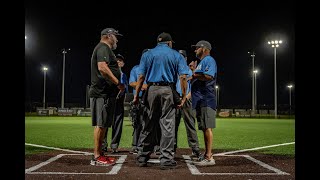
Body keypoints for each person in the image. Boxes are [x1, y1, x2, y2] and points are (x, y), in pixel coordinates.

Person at [133, 32, 189, 170]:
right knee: (167, 125)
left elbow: (140, 78)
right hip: (167, 90)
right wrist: (182, 96)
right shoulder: (176, 55)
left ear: (158, 42)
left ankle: (142, 157)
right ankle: (166, 159)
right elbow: (183, 77)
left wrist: (136, 96)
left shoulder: (148, 54)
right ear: (169, 43)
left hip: (151, 90)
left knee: (148, 124)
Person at [88, 27, 125, 165]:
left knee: (104, 124)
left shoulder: (105, 49)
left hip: (105, 93)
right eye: (116, 36)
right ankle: (97, 156)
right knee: (101, 124)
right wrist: (118, 83)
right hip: (101, 92)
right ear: (109, 36)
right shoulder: (103, 47)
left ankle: (101, 154)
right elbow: (102, 67)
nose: (117, 39)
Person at [190, 40, 217, 166]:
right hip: (201, 99)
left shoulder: (209, 60)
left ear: (203, 48)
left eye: (196, 48)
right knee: (204, 127)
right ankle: (207, 154)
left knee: (207, 127)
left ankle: (209, 157)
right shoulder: (202, 62)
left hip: (206, 98)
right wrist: (194, 71)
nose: (195, 50)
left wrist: (194, 74)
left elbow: (209, 76)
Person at [174, 50, 202, 159]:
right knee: (173, 126)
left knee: (190, 124)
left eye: (182, 56)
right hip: (175, 99)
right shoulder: (173, 69)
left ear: (185, 58)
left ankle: (195, 149)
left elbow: (194, 88)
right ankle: (172, 148)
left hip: (187, 100)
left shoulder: (188, 70)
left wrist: (185, 98)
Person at [102, 54, 128, 153]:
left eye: (120, 60)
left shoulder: (123, 75)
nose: (118, 62)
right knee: (105, 122)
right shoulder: (109, 73)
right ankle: (103, 144)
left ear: (123, 64)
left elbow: (125, 88)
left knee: (117, 124)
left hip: (119, 102)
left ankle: (114, 145)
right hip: (109, 99)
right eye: (116, 60)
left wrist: (122, 93)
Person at [128, 49, 149, 154]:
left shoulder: (152, 68)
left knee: (149, 123)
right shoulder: (136, 68)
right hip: (140, 99)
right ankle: (136, 145)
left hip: (150, 99)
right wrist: (142, 86)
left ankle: (148, 145)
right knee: (138, 123)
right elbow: (131, 83)